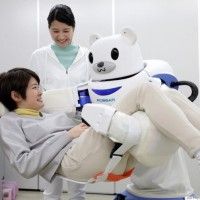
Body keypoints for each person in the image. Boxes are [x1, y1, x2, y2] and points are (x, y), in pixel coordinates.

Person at [29, 4, 89, 200]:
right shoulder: (39, 56)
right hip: (50, 128)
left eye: (66, 31)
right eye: (55, 31)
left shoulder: (88, 56)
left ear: (74, 28)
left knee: (78, 185)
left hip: (80, 125)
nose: (61, 36)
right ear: (49, 29)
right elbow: (33, 91)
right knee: (51, 186)